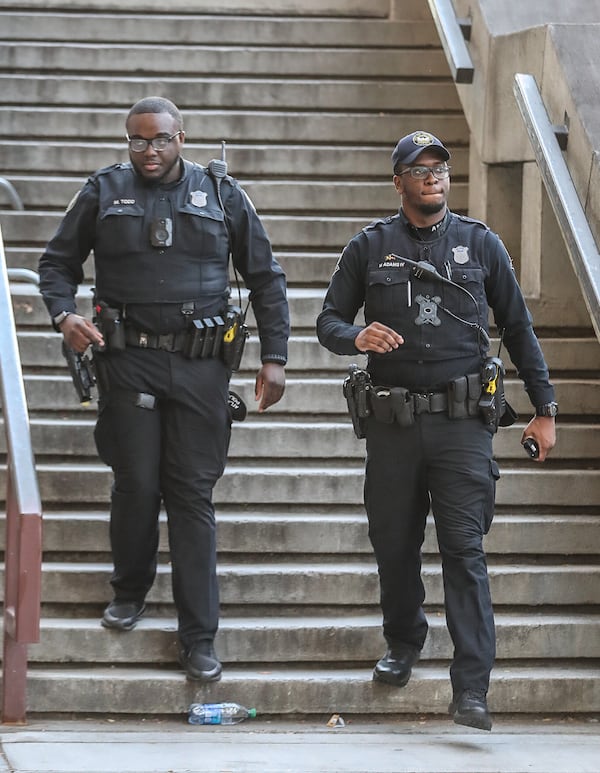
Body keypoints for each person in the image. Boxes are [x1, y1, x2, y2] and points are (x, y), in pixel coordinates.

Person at [38, 96, 290, 682]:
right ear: (127, 141)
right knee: (136, 481)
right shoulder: (102, 191)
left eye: (161, 140)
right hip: (126, 361)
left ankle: (199, 637)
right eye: (138, 140)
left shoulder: (223, 194)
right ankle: (129, 591)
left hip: (202, 367)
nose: (149, 151)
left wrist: (275, 357)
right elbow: (56, 265)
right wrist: (63, 317)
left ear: (183, 138)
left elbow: (266, 276)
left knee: (191, 495)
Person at [316, 130, 557, 731]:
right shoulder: (370, 248)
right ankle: (403, 643)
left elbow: (520, 329)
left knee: (464, 552)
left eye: (440, 168)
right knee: (393, 545)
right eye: (418, 168)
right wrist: (355, 337)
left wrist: (544, 407)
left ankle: (472, 687)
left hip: (461, 427)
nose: (433, 176)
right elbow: (327, 319)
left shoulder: (479, 245)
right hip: (393, 424)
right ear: (397, 180)